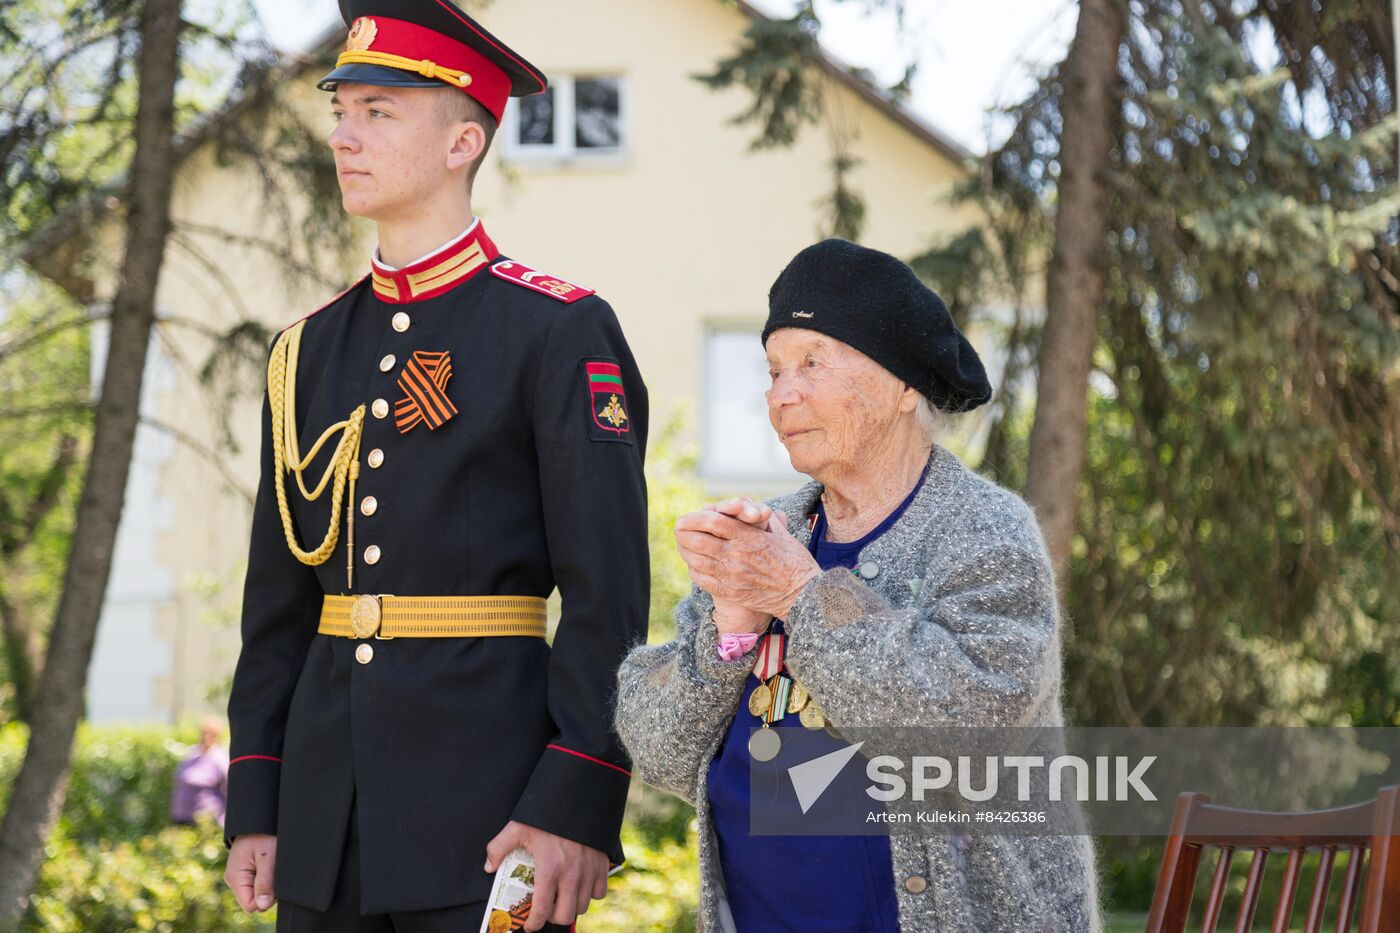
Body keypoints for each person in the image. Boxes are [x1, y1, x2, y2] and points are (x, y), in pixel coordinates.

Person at [221, 1, 649, 930]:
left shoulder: (559, 330)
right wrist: (258, 794)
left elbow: (608, 597)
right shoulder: (307, 350)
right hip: (324, 827)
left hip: (494, 819)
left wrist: (573, 797)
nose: (344, 135)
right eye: (342, 110)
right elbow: (278, 604)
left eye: (379, 112)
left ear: (463, 142)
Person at [614, 239, 1100, 932]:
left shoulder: (984, 530)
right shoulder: (771, 530)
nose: (782, 393)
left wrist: (800, 596)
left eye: (813, 362)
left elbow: (967, 722)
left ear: (904, 386)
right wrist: (730, 628)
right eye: (775, 368)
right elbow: (660, 751)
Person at [171, 716, 230, 827]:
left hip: (205, 817)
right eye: (203, 733)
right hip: (181, 814)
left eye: (210, 734)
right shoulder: (192, 753)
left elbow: (229, 786)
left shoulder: (220, 758)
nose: (205, 737)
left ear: (217, 736)